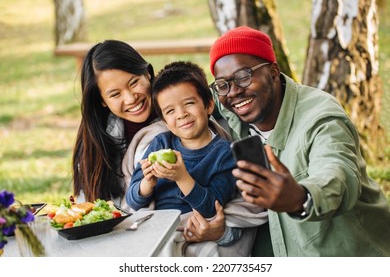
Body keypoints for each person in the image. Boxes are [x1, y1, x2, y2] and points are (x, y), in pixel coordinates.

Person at [200, 26, 390, 256]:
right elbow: (182, 99)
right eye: (223, 84)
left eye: (243, 76)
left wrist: (301, 198)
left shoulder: (320, 117)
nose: (234, 92)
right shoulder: (230, 109)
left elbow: (337, 171)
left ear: (272, 72)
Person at [127, 61, 267, 256]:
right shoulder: (160, 143)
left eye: (189, 104)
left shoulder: (224, 154)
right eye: (170, 111)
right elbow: (132, 200)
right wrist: (147, 183)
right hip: (157, 229)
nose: (182, 114)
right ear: (164, 120)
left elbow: (212, 209)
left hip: (194, 231)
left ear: (209, 105)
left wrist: (181, 177)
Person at [72, 40, 168, 209]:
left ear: (147, 74)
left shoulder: (179, 120)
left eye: (134, 83)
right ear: (101, 100)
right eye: (115, 94)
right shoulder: (96, 142)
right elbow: (86, 206)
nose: (131, 99)